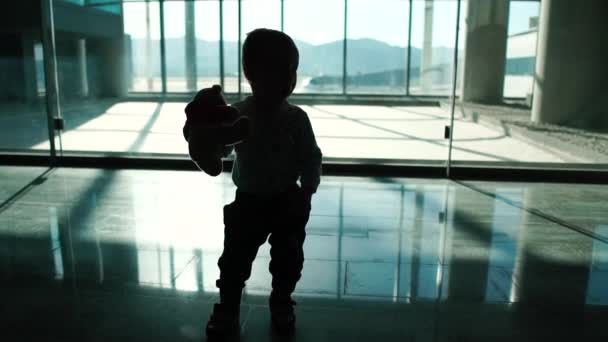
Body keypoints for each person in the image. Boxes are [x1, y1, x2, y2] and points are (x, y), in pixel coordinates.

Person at [205, 28, 323, 339]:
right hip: (251, 201)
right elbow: (223, 147)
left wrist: (307, 191)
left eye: (291, 71)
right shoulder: (239, 114)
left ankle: (279, 299)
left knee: (287, 259)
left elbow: (311, 157)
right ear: (251, 73)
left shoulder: (296, 118)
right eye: (281, 70)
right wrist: (210, 142)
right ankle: (230, 306)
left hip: (285, 200)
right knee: (234, 260)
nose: (288, 79)